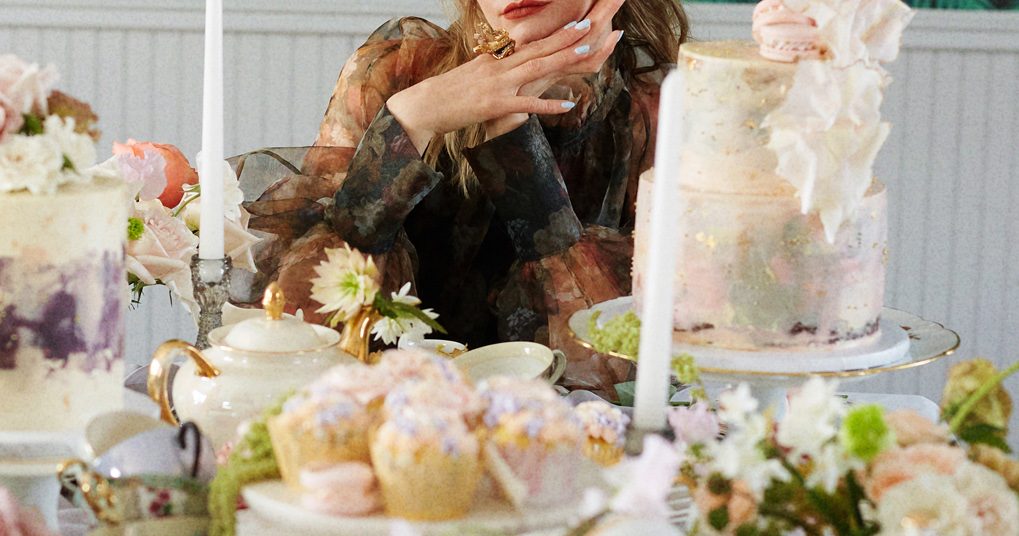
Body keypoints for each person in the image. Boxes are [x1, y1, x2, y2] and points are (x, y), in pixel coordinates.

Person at [237, 0, 688, 396]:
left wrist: (515, 144)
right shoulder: (398, 72)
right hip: (387, 424)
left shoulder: (659, 112)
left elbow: (621, 376)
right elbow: (301, 337)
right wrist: (410, 122)